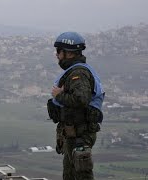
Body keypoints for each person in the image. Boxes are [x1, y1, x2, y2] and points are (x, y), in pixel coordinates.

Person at [47, 32, 104, 180]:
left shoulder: (79, 73)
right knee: (71, 174)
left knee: (81, 174)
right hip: (74, 133)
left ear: (69, 53)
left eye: (59, 51)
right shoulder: (75, 71)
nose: (57, 55)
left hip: (80, 134)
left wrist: (59, 95)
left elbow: (81, 99)